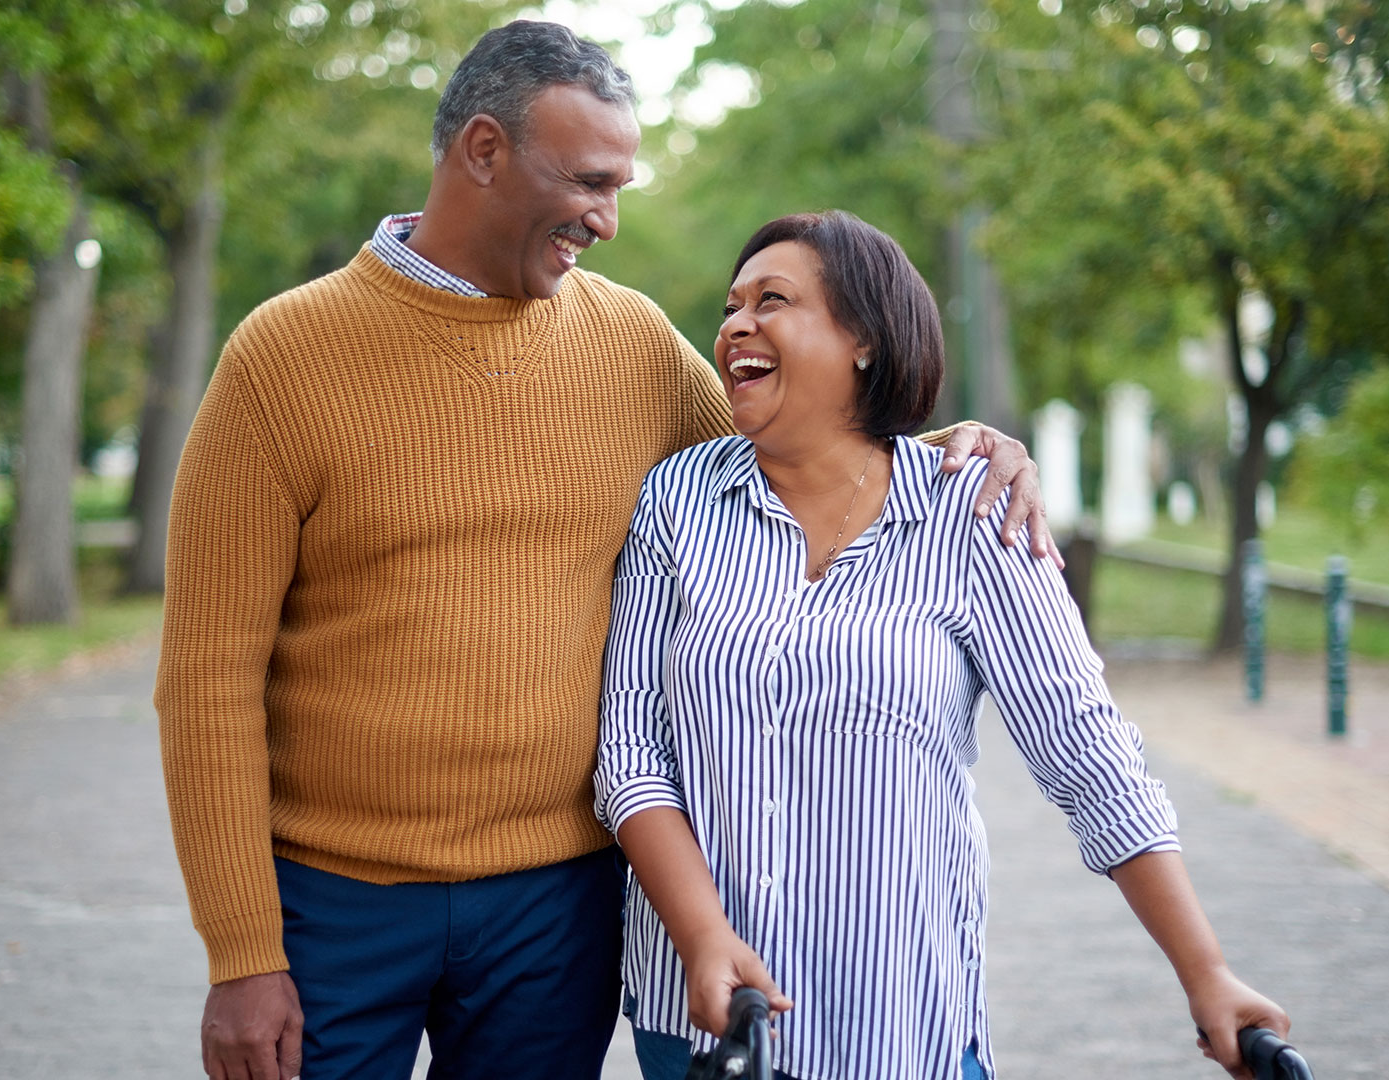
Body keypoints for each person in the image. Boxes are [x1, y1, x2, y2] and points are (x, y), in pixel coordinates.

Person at [155, 23, 1055, 1080]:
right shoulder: (281, 358)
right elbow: (207, 679)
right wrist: (241, 953)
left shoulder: (629, 343)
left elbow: (794, 447)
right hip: (334, 903)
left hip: (558, 908)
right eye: (589, 180)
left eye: (621, 184)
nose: (609, 219)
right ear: (482, 150)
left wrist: (947, 451)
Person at [595, 211, 1288, 1080]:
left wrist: (1207, 974)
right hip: (705, 1014)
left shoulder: (972, 511)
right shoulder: (678, 499)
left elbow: (1088, 753)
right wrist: (702, 938)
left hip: (900, 1017)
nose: (737, 325)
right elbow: (630, 752)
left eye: (773, 301)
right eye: (732, 306)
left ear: (866, 342)